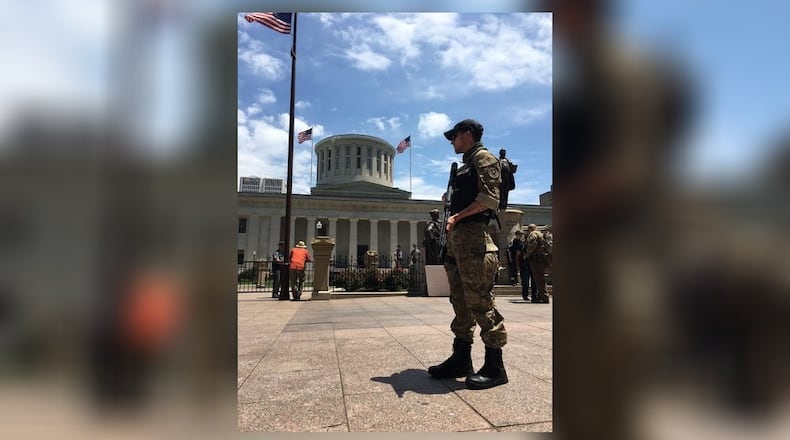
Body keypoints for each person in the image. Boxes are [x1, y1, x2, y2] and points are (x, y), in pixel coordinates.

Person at [427, 118, 508, 390]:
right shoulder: (466, 166)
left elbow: (489, 199)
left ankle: (495, 366)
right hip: (458, 241)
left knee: (479, 301)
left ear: (468, 134)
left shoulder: (484, 159)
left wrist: (457, 216)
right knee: (460, 302)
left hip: (474, 240)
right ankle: (461, 358)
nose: (452, 141)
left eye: (454, 136)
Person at [524, 224, 549, 303]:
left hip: (536, 259)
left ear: (529, 229)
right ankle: (541, 295)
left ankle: (544, 296)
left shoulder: (533, 234)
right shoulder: (541, 234)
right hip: (542, 258)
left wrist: (527, 255)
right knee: (541, 278)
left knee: (538, 278)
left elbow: (532, 245)